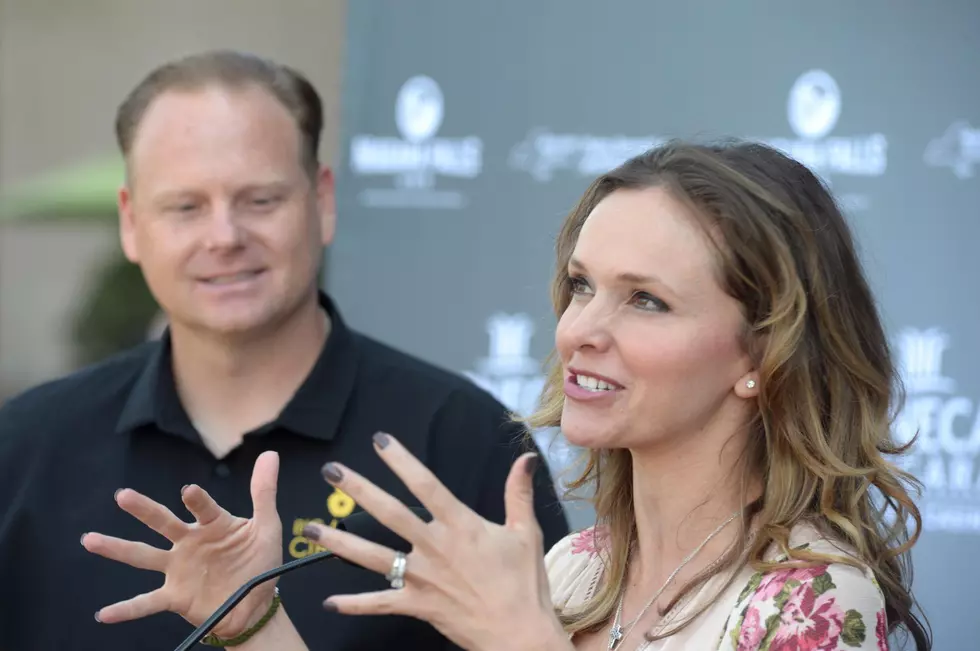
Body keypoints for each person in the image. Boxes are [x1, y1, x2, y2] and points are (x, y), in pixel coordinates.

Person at [80, 138, 932, 650]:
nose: (579, 329)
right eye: (581, 285)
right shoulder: (572, 571)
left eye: (646, 299)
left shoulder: (811, 599)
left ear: (764, 350)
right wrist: (256, 620)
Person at [0, 50, 570, 651]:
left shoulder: (459, 442)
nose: (224, 237)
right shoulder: (25, 446)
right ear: (131, 223)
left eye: (260, 200)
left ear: (321, 201)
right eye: (185, 207)